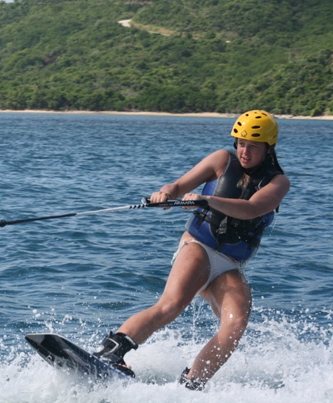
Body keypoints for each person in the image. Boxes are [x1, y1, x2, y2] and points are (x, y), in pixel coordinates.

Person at [94, 110, 290, 390]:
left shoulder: (278, 182)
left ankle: (192, 383)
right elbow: (176, 186)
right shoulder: (221, 160)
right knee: (172, 304)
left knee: (235, 324)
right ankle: (110, 352)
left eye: (253, 146)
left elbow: (251, 209)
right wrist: (165, 195)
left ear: (268, 148)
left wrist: (207, 200)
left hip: (230, 265)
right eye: (241, 143)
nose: (244, 152)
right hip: (198, 246)